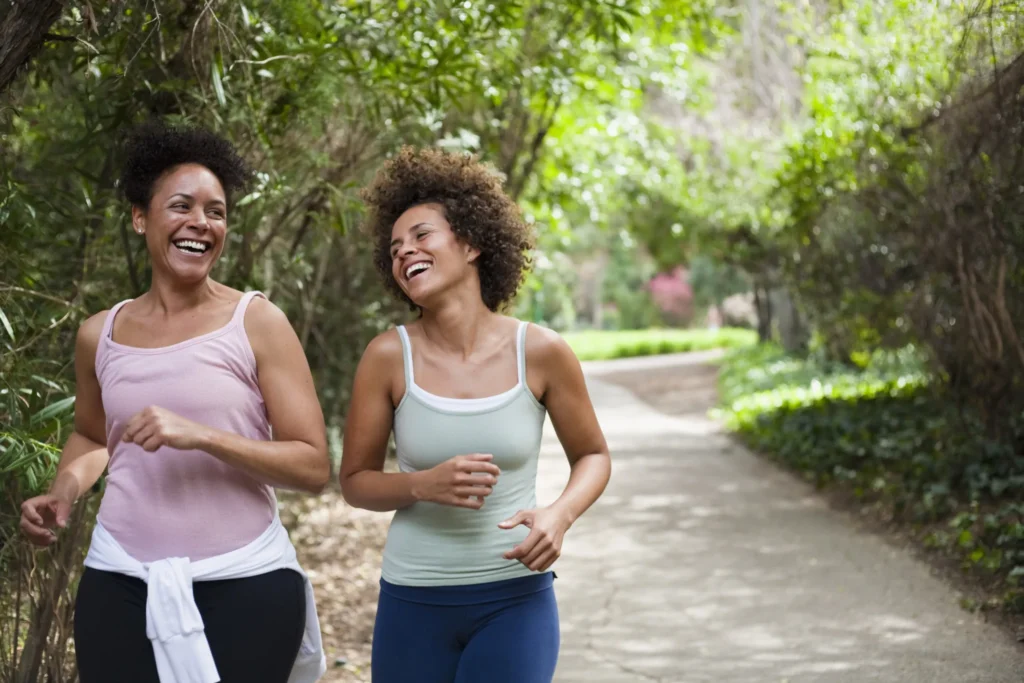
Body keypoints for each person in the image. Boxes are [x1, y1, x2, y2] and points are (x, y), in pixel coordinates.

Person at [19, 121, 330, 683]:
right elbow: (94, 437)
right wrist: (62, 490)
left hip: (247, 584)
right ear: (141, 218)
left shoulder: (256, 322)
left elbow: (312, 465)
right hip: (118, 580)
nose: (201, 223)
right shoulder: (99, 333)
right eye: (181, 206)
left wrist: (202, 435)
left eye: (216, 212)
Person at [340, 146, 612, 683]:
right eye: (394, 247)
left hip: (515, 599)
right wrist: (421, 484)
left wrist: (560, 514)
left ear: (470, 243)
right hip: (413, 599)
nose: (405, 252)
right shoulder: (388, 357)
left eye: (421, 236)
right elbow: (354, 482)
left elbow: (594, 455)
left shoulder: (540, 351)